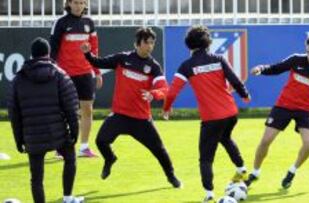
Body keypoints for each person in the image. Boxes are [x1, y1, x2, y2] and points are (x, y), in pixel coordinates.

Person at [80, 27, 182, 188]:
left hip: (141, 119)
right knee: (101, 141)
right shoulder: (122, 58)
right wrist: (87, 54)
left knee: (159, 150)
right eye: (146, 42)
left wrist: (153, 94)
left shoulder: (153, 67)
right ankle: (110, 159)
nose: (150, 46)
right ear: (137, 43)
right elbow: (98, 62)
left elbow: (164, 89)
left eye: (152, 43)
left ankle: (171, 177)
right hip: (120, 115)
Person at [162, 25, 251, 203]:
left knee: (205, 158)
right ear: (207, 42)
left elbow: (172, 92)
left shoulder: (187, 66)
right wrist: (245, 95)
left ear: (189, 44)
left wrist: (166, 108)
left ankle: (209, 194)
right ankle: (241, 168)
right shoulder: (218, 59)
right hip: (231, 113)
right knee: (225, 138)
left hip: (212, 118)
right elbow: (234, 79)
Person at [245, 35, 309, 189]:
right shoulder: (296, 60)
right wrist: (261, 69)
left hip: (305, 111)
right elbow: (276, 68)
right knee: (265, 141)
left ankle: (292, 171)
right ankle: (255, 172)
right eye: (308, 52)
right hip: (284, 106)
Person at [7, 37, 83, 203]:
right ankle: (68, 198)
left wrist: (19, 140)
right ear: (48, 53)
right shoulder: (59, 75)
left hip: (33, 136)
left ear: (31, 55)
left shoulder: (18, 79)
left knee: (36, 178)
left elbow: (14, 113)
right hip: (58, 133)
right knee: (70, 159)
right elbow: (71, 107)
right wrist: (74, 132)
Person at [50, 0, 102, 157]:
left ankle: (84, 147)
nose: (79, 6)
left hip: (86, 73)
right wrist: (52, 71)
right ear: (69, 4)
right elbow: (53, 50)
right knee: (64, 111)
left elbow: (94, 49)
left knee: (87, 109)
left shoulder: (89, 23)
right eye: (76, 2)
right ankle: (61, 146)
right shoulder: (60, 23)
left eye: (82, 2)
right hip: (65, 73)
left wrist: (97, 71)